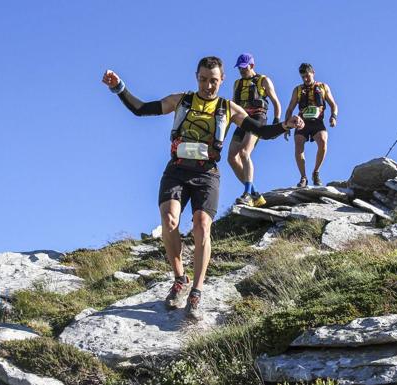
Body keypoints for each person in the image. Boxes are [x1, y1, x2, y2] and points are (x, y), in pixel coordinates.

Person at [101, 57, 303, 321]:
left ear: (222, 81)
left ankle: (196, 291)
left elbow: (261, 132)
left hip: (207, 174)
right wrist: (119, 88)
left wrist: (285, 125)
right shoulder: (181, 100)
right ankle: (179, 279)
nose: (209, 86)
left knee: (201, 226)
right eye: (204, 80)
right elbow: (141, 109)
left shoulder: (229, 108)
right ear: (197, 77)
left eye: (214, 81)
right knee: (169, 220)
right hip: (177, 170)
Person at [228, 53, 281, 207]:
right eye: (239, 68)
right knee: (232, 158)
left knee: (244, 152)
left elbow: (276, 102)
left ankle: (246, 194)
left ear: (252, 65)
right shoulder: (237, 83)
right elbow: (232, 106)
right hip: (242, 120)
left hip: (258, 119)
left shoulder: (263, 80)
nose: (241, 71)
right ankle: (254, 193)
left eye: (244, 68)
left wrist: (276, 122)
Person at [284, 63, 338, 187]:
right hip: (301, 122)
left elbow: (333, 104)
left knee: (323, 142)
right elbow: (290, 108)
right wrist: (287, 125)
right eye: (303, 77)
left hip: (318, 121)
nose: (305, 79)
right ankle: (303, 177)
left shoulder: (323, 86)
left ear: (313, 73)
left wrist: (333, 117)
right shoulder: (297, 90)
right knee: (298, 146)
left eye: (307, 76)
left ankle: (316, 172)